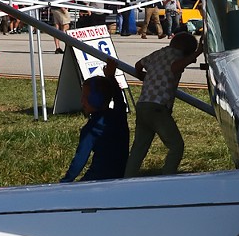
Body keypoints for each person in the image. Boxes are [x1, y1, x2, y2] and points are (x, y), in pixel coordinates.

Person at [125, 32, 201, 176]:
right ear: (186, 51)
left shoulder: (158, 53)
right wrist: (197, 53)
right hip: (158, 107)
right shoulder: (177, 56)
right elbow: (175, 67)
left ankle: (127, 177)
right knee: (176, 146)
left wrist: (146, 78)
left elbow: (138, 65)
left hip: (142, 105)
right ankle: (167, 176)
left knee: (139, 147)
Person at [60, 62, 129, 183]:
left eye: (84, 97)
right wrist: (111, 77)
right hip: (121, 175)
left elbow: (80, 159)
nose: (81, 101)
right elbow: (120, 100)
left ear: (95, 99)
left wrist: (66, 181)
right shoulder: (119, 116)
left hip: (99, 178)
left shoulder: (91, 129)